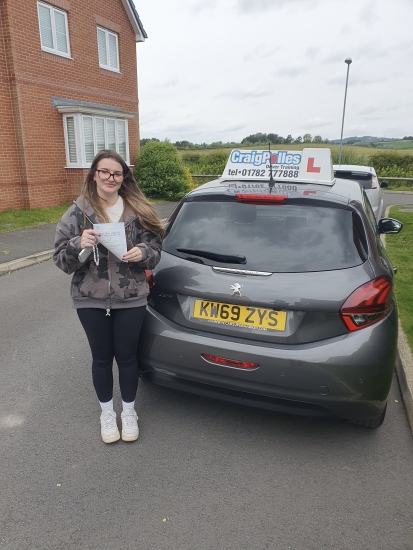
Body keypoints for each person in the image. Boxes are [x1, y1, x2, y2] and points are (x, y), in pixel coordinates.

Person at [54, 150, 164, 444]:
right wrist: (79, 243)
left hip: (131, 297)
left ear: (124, 177)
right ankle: (107, 413)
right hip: (90, 298)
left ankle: (129, 411)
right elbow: (61, 260)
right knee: (102, 358)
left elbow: (155, 251)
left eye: (117, 173)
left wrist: (144, 253)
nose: (110, 178)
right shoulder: (78, 211)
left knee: (128, 357)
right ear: (94, 174)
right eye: (105, 172)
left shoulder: (137, 210)